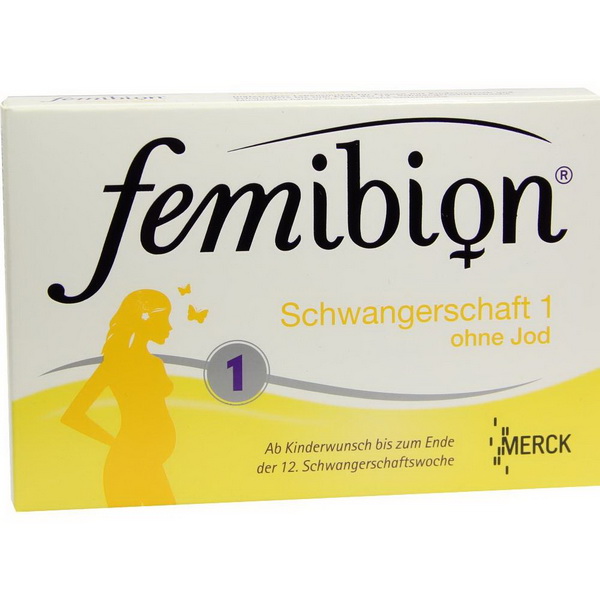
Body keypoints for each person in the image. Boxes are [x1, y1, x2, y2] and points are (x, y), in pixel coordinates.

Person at [61, 289, 176, 507]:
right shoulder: (115, 364)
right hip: (128, 463)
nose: (169, 327)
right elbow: (73, 415)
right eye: (165, 319)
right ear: (144, 320)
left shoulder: (154, 363)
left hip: (146, 461)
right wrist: (116, 444)